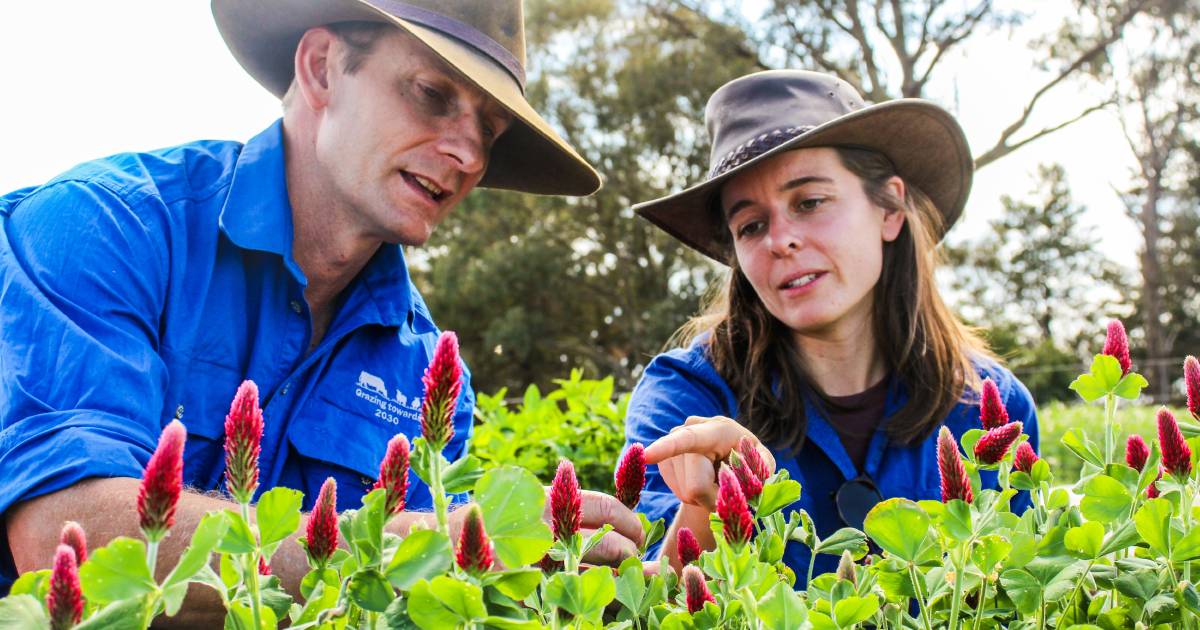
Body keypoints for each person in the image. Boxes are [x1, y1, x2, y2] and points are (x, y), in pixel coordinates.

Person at [0, 0, 644, 618]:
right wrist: (413, 549)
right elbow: (62, 533)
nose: (469, 155)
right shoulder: (104, 225)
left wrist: (532, 578)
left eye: (489, 133)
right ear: (320, 68)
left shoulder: (427, 367)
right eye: (432, 94)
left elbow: (412, 602)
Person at [620, 70, 1039, 585]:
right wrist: (707, 507)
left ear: (889, 208)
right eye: (751, 225)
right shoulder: (687, 395)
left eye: (809, 202)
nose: (780, 240)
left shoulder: (993, 405)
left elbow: (1018, 593)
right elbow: (649, 600)